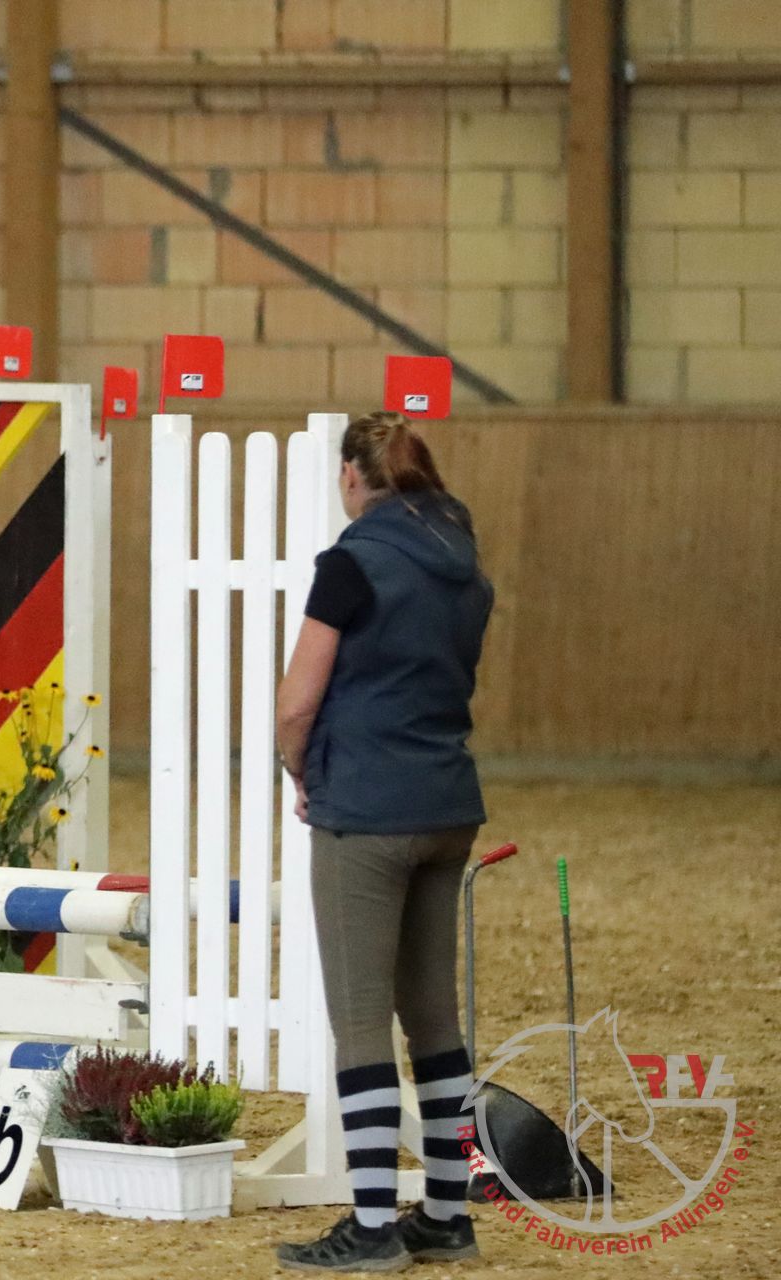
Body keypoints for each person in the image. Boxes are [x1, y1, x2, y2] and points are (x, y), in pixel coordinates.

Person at [272, 410, 495, 1273]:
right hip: (447, 803)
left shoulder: (350, 563)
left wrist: (302, 771)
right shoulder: (463, 561)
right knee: (433, 1017)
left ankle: (370, 1227)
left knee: (361, 1021)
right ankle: (446, 1214)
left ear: (352, 477)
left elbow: (298, 702)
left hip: (366, 808)